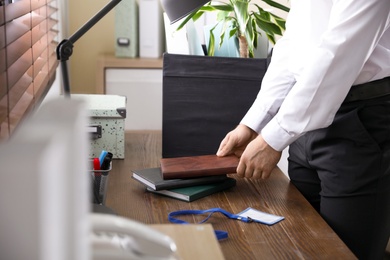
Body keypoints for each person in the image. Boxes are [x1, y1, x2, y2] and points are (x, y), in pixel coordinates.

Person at [216, 0, 390, 259]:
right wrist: (253, 123)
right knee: (299, 245)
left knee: (346, 253)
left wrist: (273, 139)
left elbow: (338, 52)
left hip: (360, 126)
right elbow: (294, 45)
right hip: (303, 126)